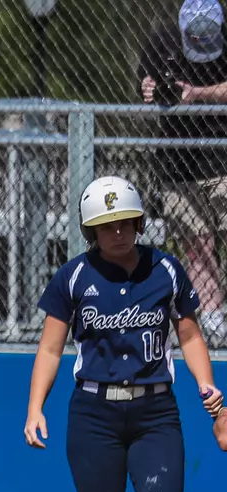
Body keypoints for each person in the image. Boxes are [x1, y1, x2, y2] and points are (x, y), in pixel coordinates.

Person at [25, 176, 222, 492]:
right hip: (94, 415)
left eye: (124, 222)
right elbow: (50, 348)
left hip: (156, 413)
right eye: (104, 225)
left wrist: (210, 392)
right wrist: (35, 407)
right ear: (91, 230)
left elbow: (190, 335)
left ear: (138, 222)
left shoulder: (167, 270)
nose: (116, 232)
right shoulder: (73, 277)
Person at [140, 0, 227, 342]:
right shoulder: (161, 41)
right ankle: (214, 318)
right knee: (198, 243)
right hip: (178, 161)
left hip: (222, 155)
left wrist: (198, 94)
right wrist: (147, 90)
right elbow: (143, 87)